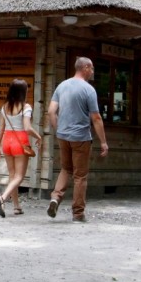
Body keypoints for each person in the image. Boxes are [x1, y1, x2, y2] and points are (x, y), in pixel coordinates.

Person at [46, 57, 109, 223]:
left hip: (63, 136)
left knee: (66, 169)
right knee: (80, 176)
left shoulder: (62, 86)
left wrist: (58, 130)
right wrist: (103, 141)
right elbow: (96, 117)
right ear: (86, 67)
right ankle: (78, 213)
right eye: (92, 68)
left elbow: (51, 111)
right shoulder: (88, 90)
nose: (93, 72)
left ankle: (55, 198)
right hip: (81, 137)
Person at [0, 79, 43, 218]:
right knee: (19, 176)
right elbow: (27, 128)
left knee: (12, 175)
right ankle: (3, 198)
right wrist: (38, 136)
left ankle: (16, 207)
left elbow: (0, 129)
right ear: (23, 92)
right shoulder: (26, 107)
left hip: (6, 142)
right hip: (20, 142)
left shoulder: (4, 107)